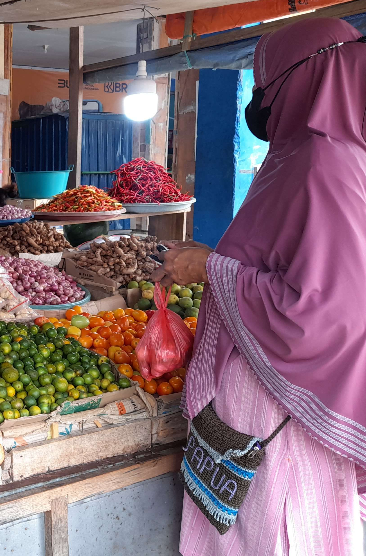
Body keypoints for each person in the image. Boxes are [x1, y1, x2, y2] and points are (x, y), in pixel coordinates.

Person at [153, 18, 366, 555]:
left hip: (284, 408)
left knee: (281, 533)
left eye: (265, 80)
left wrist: (209, 269)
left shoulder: (325, 161)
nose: (260, 98)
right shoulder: (302, 153)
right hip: (263, 398)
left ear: (303, 77)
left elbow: (326, 311)